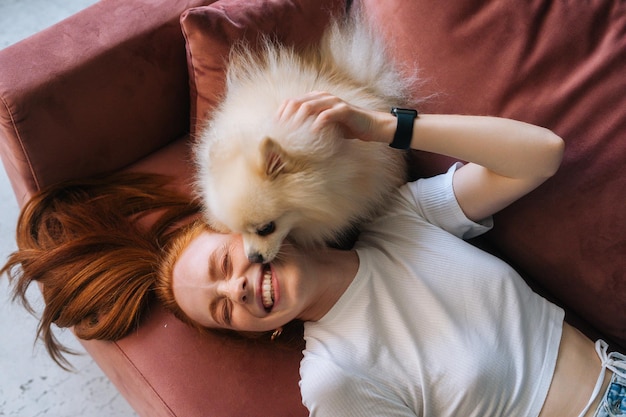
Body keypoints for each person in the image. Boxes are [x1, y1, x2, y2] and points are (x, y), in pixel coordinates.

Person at [2, 92, 625, 416]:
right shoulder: (335, 378)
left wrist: (387, 128)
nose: (236, 291)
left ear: (256, 229)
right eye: (225, 311)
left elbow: (541, 154)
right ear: (258, 332)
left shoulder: (400, 222)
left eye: (223, 268)